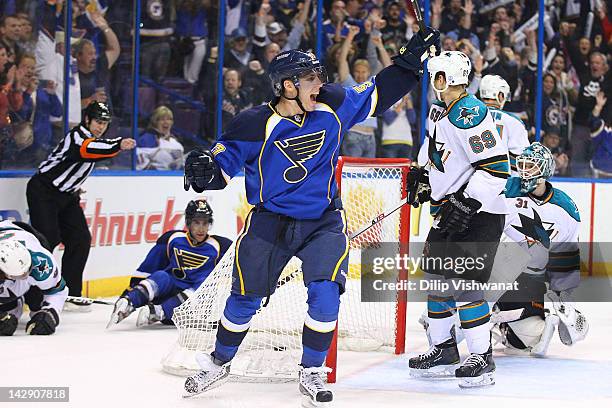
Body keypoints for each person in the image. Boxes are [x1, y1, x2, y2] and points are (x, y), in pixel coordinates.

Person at [181, 26, 440, 403]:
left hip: (323, 221)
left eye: (320, 76)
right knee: (244, 301)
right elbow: (222, 170)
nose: (320, 83)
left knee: (325, 293)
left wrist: (411, 58)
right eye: (310, 78)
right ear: (287, 86)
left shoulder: (333, 103)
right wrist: (205, 171)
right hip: (269, 221)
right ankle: (217, 363)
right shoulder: (254, 123)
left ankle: (313, 371)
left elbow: (379, 94)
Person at [407, 51, 510, 388]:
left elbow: (497, 168)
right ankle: (444, 350)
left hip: (480, 213)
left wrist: (467, 202)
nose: (431, 82)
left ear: (442, 80)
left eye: (433, 76)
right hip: (451, 210)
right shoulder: (444, 112)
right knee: (437, 280)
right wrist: (423, 178)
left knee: (465, 287)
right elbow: (438, 155)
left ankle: (483, 358)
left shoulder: (470, 113)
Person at [26, 102, 135, 307]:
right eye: (97, 122)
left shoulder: (94, 138)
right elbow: (87, 150)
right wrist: (118, 144)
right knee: (47, 240)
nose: (100, 127)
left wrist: (73, 185)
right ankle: (33, 295)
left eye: (104, 123)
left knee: (80, 239)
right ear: (87, 120)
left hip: (66, 195)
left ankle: (71, 294)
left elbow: (78, 163)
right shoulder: (78, 136)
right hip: (43, 191)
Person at [496, 142, 588, 355]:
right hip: (497, 265)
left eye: (532, 166)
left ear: (545, 171)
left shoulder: (565, 209)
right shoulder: (506, 189)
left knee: (527, 342)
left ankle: (503, 322)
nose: (525, 171)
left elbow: (566, 257)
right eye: (523, 165)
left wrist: (563, 295)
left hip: (528, 280)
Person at [107, 198, 232, 328]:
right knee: (161, 276)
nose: (201, 228)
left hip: (188, 308)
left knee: (205, 282)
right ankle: (128, 303)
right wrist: (128, 295)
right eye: (196, 222)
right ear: (188, 223)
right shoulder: (173, 239)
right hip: (167, 293)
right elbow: (149, 267)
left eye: (205, 223)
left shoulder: (220, 247)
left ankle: (160, 312)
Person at [0, 220, 68, 336]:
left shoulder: (41, 262)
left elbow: (58, 291)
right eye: (19, 275)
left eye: (27, 271)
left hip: (24, 233)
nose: (25, 276)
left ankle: (28, 297)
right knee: (8, 315)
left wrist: (50, 313)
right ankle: (14, 303)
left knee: (37, 304)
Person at [479, 74, 530, 175]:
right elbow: (522, 160)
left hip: (470, 182)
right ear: (500, 96)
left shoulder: (469, 118)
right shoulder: (513, 121)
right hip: (502, 183)